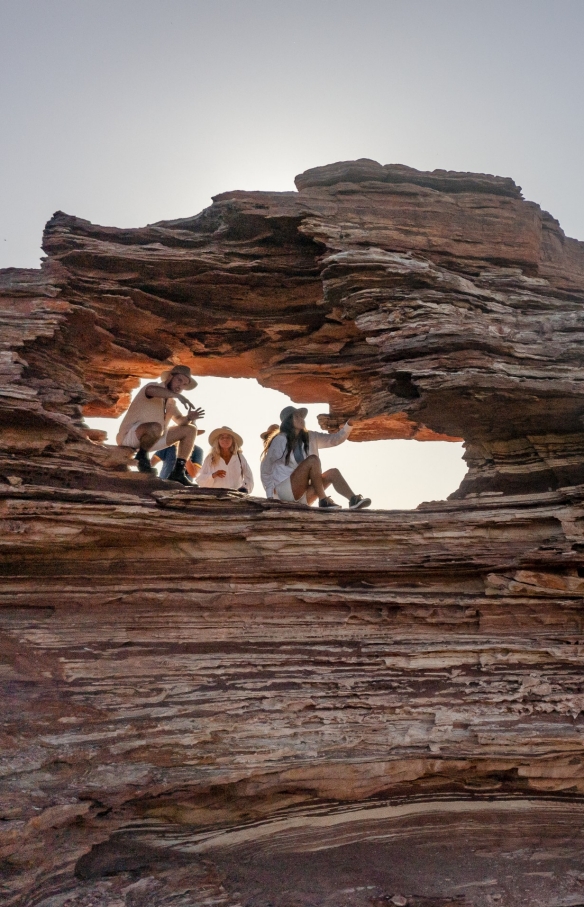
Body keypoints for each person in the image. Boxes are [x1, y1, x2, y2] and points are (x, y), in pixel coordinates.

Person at [260, 406, 371, 510]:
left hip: (304, 496)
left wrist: (350, 424)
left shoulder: (311, 436)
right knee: (313, 460)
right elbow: (265, 468)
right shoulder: (280, 440)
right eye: (297, 416)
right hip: (285, 491)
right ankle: (323, 500)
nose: (301, 419)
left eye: (301, 416)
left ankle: (353, 500)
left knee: (333, 473)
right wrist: (270, 496)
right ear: (288, 421)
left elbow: (335, 439)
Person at [116, 364, 204, 486]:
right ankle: (142, 459)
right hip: (130, 437)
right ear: (170, 377)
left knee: (190, 429)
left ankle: (178, 472)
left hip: (153, 438)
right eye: (179, 380)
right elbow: (152, 391)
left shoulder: (171, 402)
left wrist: (189, 417)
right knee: (156, 427)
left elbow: (180, 421)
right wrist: (177, 395)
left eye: (184, 384)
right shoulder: (153, 387)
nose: (180, 386)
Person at [197, 427, 254, 493]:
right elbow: (200, 479)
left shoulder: (239, 457)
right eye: (222, 437)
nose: (225, 440)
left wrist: (244, 489)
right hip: (215, 497)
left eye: (228, 437)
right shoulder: (210, 458)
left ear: (233, 440)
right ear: (218, 441)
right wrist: (213, 475)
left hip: (235, 498)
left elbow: (249, 477)